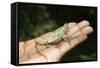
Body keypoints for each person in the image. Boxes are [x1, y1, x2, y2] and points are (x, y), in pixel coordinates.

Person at [19, 20, 93, 64]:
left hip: (54, 37)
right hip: (52, 40)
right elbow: (62, 36)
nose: (67, 28)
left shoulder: (64, 30)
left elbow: (63, 32)